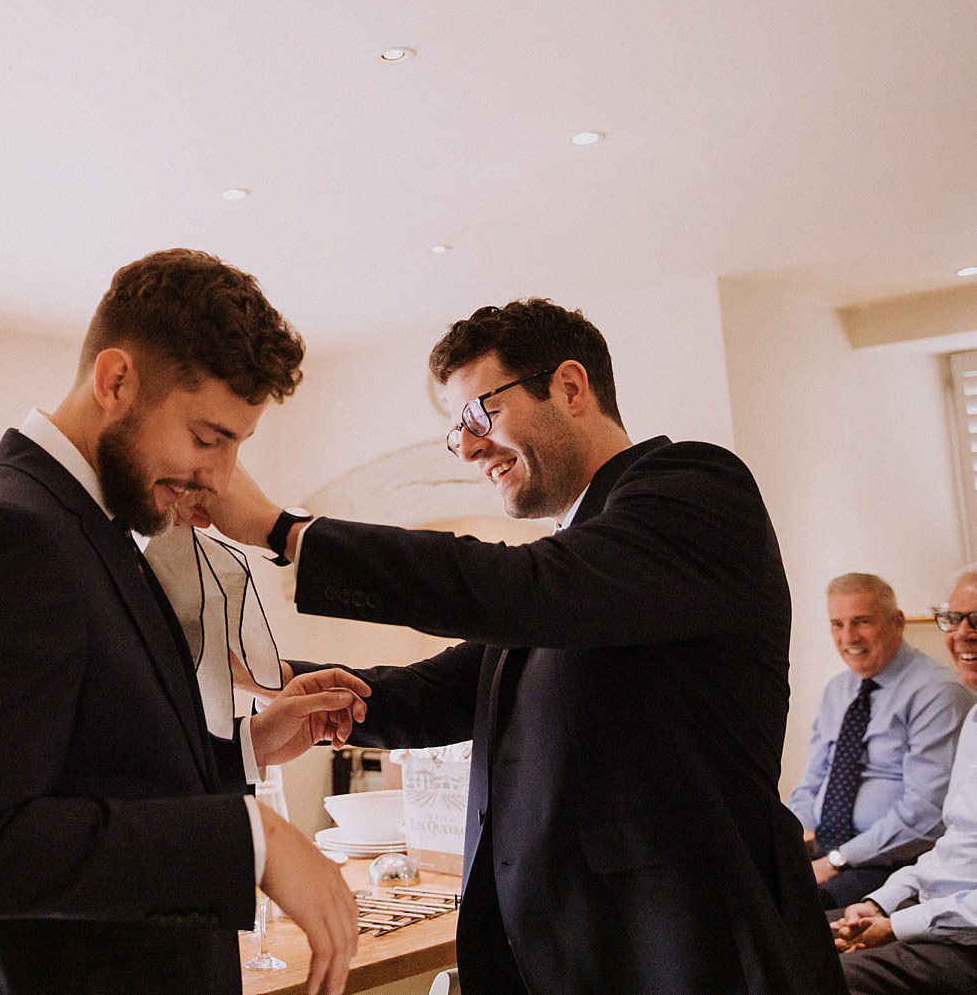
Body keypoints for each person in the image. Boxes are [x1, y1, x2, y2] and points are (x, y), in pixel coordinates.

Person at [193, 298, 849, 994]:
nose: (470, 447)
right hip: (567, 956)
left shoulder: (694, 491)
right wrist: (268, 675)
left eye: (481, 415)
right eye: (458, 433)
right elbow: (448, 687)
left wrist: (281, 529)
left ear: (570, 387)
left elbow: (525, 588)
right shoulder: (572, 565)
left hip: (688, 950)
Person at [0, 248, 368, 995]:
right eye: (208, 438)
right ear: (115, 380)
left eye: (237, 445)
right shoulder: (7, 533)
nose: (220, 477)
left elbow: (91, 765)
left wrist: (243, 752)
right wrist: (251, 838)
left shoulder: (88, 523)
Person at [832, 565, 977, 993]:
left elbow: (921, 816)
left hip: (963, 940)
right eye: (953, 619)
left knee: (811, 974)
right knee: (781, 938)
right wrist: (881, 903)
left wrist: (898, 924)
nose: (963, 634)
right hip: (932, 909)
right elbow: (955, 847)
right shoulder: (975, 718)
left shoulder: (940, 693)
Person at [788, 573, 973, 909]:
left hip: (892, 859)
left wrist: (836, 861)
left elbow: (925, 814)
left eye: (862, 622)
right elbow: (812, 784)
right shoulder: (837, 691)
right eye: (837, 624)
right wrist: (782, 844)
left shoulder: (937, 693)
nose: (848, 637)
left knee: (797, 910)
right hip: (829, 850)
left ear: (897, 622)